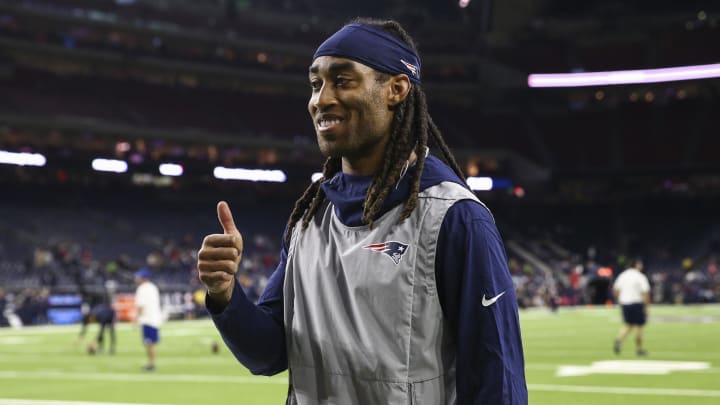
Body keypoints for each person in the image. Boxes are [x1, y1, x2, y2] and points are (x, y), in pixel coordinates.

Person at [198, 18, 527, 404]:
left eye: (342, 80)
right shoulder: (308, 219)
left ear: (397, 89)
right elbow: (268, 353)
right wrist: (225, 294)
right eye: (316, 84)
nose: (321, 99)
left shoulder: (454, 217)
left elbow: (496, 384)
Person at [612, 258, 651, 356]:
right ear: (636, 265)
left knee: (628, 325)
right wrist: (646, 307)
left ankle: (619, 340)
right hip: (637, 303)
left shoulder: (623, 275)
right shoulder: (640, 276)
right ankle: (639, 349)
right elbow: (645, 292)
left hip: (625, 303)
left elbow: (615, 289)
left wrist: (620, 300)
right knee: (639, 327)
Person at [134, 268, 162, 371]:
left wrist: (137, 318)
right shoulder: (153, 287)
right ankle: (151, 363)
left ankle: (151, 364)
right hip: (155, 318)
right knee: (151, 343)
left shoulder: (142, 288)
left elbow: (141, 305)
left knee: (149, 343)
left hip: (147, 319)